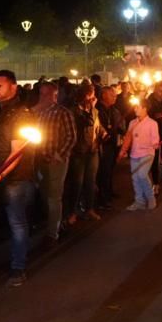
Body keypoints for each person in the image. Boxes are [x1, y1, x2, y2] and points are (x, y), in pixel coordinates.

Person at [0, 70, 35, 287]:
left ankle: (18, 267)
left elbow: (17, 152)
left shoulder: (22, 114)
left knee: (17, 222)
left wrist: (1, 176)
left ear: (13, 87)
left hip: (15, 178)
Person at [32, 82, 75, 245]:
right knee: (44, 194)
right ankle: (51, 222)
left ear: (54, 95)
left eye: (45, 94)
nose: (42, 97)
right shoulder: (38, 113)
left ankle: (53, 232)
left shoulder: (63, 112)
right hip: (40, 159)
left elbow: (71, 136)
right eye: (40, 94)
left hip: (56, 161)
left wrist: (60, 154)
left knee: (54, 197)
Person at [67, 84, 103, 224]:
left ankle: (89, 208)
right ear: (83, 96)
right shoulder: (74, 112)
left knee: (90, 181)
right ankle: (72, 211)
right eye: (90, 95)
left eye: (93, 94)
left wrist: (102, 133)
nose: (93, 98)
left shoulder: (93, 111)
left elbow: (96, 125)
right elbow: (86, 123)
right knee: (77, 182)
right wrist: (91, 109)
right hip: (79, 152)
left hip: (92, 151)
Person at [120, 99, 158, 211]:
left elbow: (155, 139)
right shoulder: (132, 122)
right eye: (135, 107)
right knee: (135, 178)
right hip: (134, 154)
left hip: (147, 153)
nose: (135, 109)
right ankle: (139, 201)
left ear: (145, 109)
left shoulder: (152, 123)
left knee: (141, 175)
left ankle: (151, 198)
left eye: (138, 107)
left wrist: (155, 143)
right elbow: (128, 138)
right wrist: (123, 150)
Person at [96, 86, 125, 210]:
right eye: (111, 94)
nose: (115, 96)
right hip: (104, 144)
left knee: (110, 169)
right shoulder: (98, 110)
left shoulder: (113, 109)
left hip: (113, 143)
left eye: (115, 94)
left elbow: (118, 122)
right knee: (104, 171)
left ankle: (109, 191)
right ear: (104, 96)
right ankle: (103, 198)